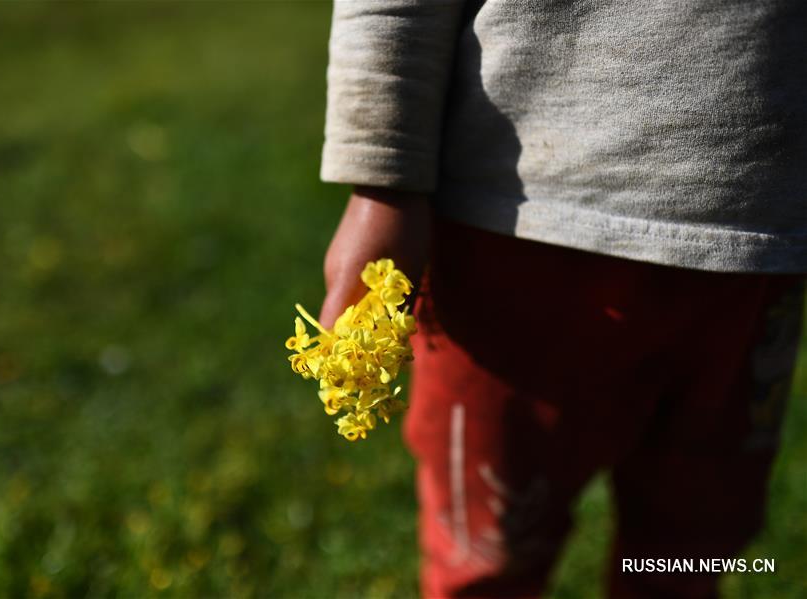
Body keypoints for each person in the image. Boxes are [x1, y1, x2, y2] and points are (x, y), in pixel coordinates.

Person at [315, 1, 807, 597]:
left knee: (692, 550)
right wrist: (382, 185)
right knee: (488, 554)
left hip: (759, 254)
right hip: (514, 246)